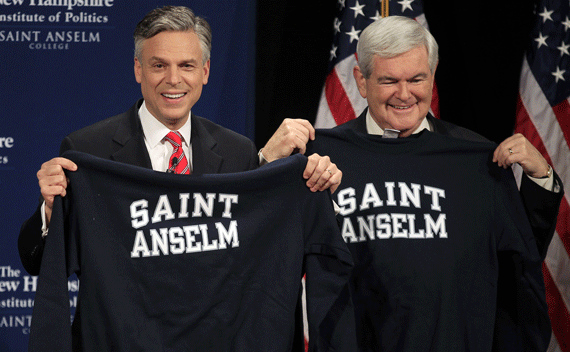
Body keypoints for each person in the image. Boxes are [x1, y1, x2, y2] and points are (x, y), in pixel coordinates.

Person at [18, 5, 341, 276]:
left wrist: (288, 176)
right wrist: (49, 210)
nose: (173, 80)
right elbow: (37, 262)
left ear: (205, 71)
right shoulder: (88, 149)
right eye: (159, 65)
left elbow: (255, 250)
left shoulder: (236, 152)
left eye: (186, 66)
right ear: (138, 69)